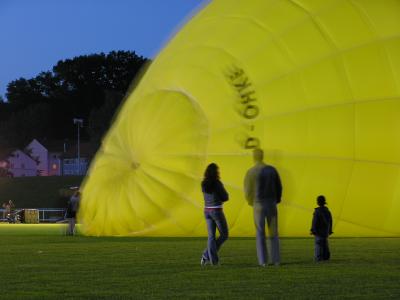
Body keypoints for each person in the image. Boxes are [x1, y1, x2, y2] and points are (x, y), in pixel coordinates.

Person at [244, 148, 282, 267]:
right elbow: (279, 186)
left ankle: (263, 261)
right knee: (274, 233)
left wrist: (251, 202)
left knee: (260, 232)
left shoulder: (251, 171)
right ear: (262, 156)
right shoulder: (272, 170)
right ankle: (276, 260)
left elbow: (248, 190)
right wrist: (277, 199)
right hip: (271, 202)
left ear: (254, 157)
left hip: (258, 204)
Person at [200, 163, 229, 266]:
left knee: (211, 237)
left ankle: (211, 259)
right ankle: (207, 255)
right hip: (216, 211)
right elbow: (225, 197)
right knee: (224, 235)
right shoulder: (217, 183)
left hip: (206, 211)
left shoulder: (203, 184)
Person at [310, 195, 333, 262]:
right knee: (325, 244)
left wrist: (313, 230)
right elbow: (330, 221)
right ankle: (326, 257)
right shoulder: (327, 211)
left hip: (318, 232)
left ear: (318, 202)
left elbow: (315, 222)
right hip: (325, 231)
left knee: (318, 245)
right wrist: (330, 230)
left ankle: (318, 258)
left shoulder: (317, 211)